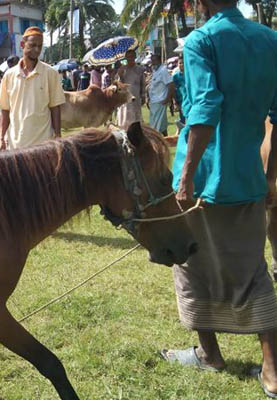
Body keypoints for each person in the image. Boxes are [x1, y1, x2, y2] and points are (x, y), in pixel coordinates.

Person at [162, 0, 277, 396]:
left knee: (191, 266)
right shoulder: (270, 39)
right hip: (249, 179)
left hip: (205, 183)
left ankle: (210, 354)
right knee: (254, 270)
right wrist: (270, 176)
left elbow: (206, 107)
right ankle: (272, 370)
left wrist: (186, 179)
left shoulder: (201, 41)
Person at [0, 26, 65, 150]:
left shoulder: (50, 73)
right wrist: (1, 138)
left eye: (40, 46)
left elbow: (55, 108)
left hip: (43, 145)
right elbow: (5, 110)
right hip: (15, 145)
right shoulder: (9, 75)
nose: (37, 49)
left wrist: (58, 136)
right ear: (22, 44)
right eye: (33, 45)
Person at [116, 49, 147, 129]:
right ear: (125, 58)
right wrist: (120, 75)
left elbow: (143, 83)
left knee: (135, 120)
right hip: (124, 98)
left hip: (136, 97)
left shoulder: (140, 69)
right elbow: (119, 85)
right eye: (128, 57)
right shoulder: (122, 69)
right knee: (124, 119)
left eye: (132, 57)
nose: (130, 59)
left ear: (135, 57)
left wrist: (143, 95)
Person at [147, 53, 175, 136]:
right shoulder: (155, 71)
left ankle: (156, 141)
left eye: (154, 60)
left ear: (159, 61)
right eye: (152, 61)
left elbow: (171, 85)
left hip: (160, 101)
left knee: (156, 124)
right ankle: (166, 138)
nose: (153, 63)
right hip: (154, 101)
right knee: (161, 124)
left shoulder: (163, 71)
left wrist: (167, 98)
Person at [172, 56, 186, 126]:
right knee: (183, 120)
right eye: (180, 63)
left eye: (183, 63)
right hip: (181, 101)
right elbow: (173, 90)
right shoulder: (175, 76)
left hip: (191, 101)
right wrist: (175, 102)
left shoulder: (190, 75)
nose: (181, 65)